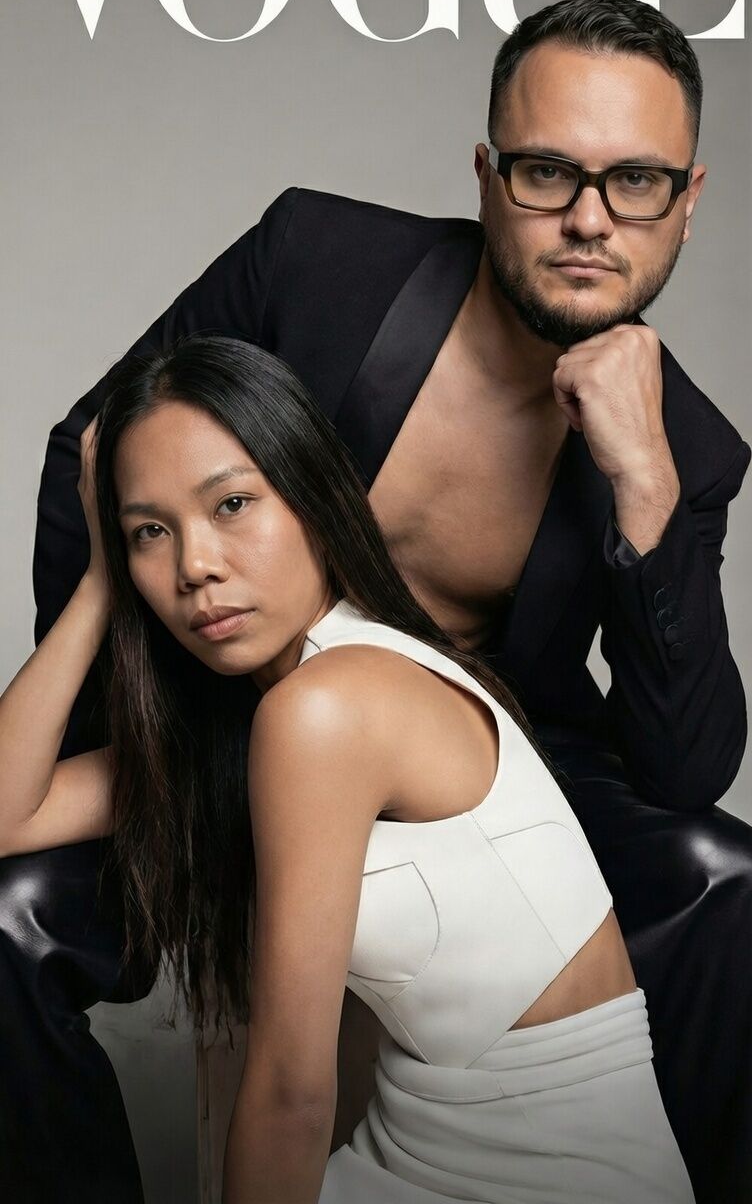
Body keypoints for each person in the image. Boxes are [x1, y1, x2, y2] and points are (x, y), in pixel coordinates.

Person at [3, 0, 750, 1202]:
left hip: (471, 776)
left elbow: (683, 767)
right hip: (230, 716)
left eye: (634, 183)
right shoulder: (320, 266)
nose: (587, 219)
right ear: (486, 175)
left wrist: (644, 486)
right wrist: (151, 720)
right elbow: (107, 452)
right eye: (546, 172)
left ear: (686, 199)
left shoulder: (685, 449)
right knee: (12, 913)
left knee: (721, 873)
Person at [0, 335, 696, 1203]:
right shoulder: (259, 710)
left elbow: (291, 1094)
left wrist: (128, 553)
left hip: (552, 1177)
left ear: (313, 497)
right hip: (412, 1150)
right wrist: (102, 583)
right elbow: (10, 812)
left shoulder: (329, 706)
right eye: (151, 531)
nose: (195, 566)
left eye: (232, 504)